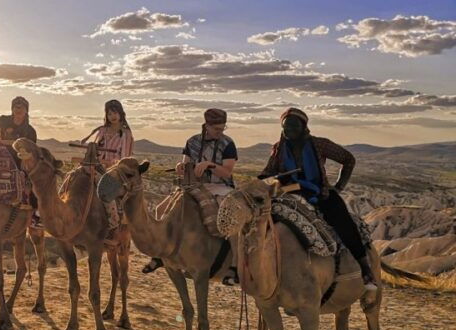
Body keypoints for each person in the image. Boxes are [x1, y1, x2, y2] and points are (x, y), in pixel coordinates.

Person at [259, 107, 378, 294]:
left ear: (303, 126)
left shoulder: (319, 144)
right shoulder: (278, 149)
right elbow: (268, 172)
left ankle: (365, 268)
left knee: (342, 221)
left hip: (317, 192)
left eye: (293, 126)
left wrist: (338, 187)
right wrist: (265, 181)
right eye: (285, 127)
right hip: (288, 193)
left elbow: (348, 159)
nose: (289, 130)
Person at [142, 108, 239, 283]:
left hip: (219, 187)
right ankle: (160, 253)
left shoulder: (228, 144)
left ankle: (235, 264)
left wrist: (210, 165)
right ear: (207, 125)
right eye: (217, 129)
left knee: (230, 218)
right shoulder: (192, 142)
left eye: (222, 128)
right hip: (193, 185)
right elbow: (185, 165)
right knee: (160, 209)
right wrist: (181, 167)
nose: (220, 132)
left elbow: (227, 172)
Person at [0, 96, 41, 225]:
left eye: (21, 106)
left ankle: (36, 214)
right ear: (12, 109)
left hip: (19, 160)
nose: (18, 108)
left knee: (33, 179)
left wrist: (1, 142)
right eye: (16, 106)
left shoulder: (30, 131)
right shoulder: (3, 120)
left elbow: (26, 146)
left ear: (26, 110)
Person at [81, 99, 134, 244]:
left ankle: (112, 224)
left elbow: (124, 159)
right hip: (96, 166)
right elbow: (95, 147)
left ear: (121, 113)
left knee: (103, 185)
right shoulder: (102, 130)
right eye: (109, 113)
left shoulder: (126, 134)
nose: (112, 116)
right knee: (75, 177)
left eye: (115, 112)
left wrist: (106, 163)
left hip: (115, 171)